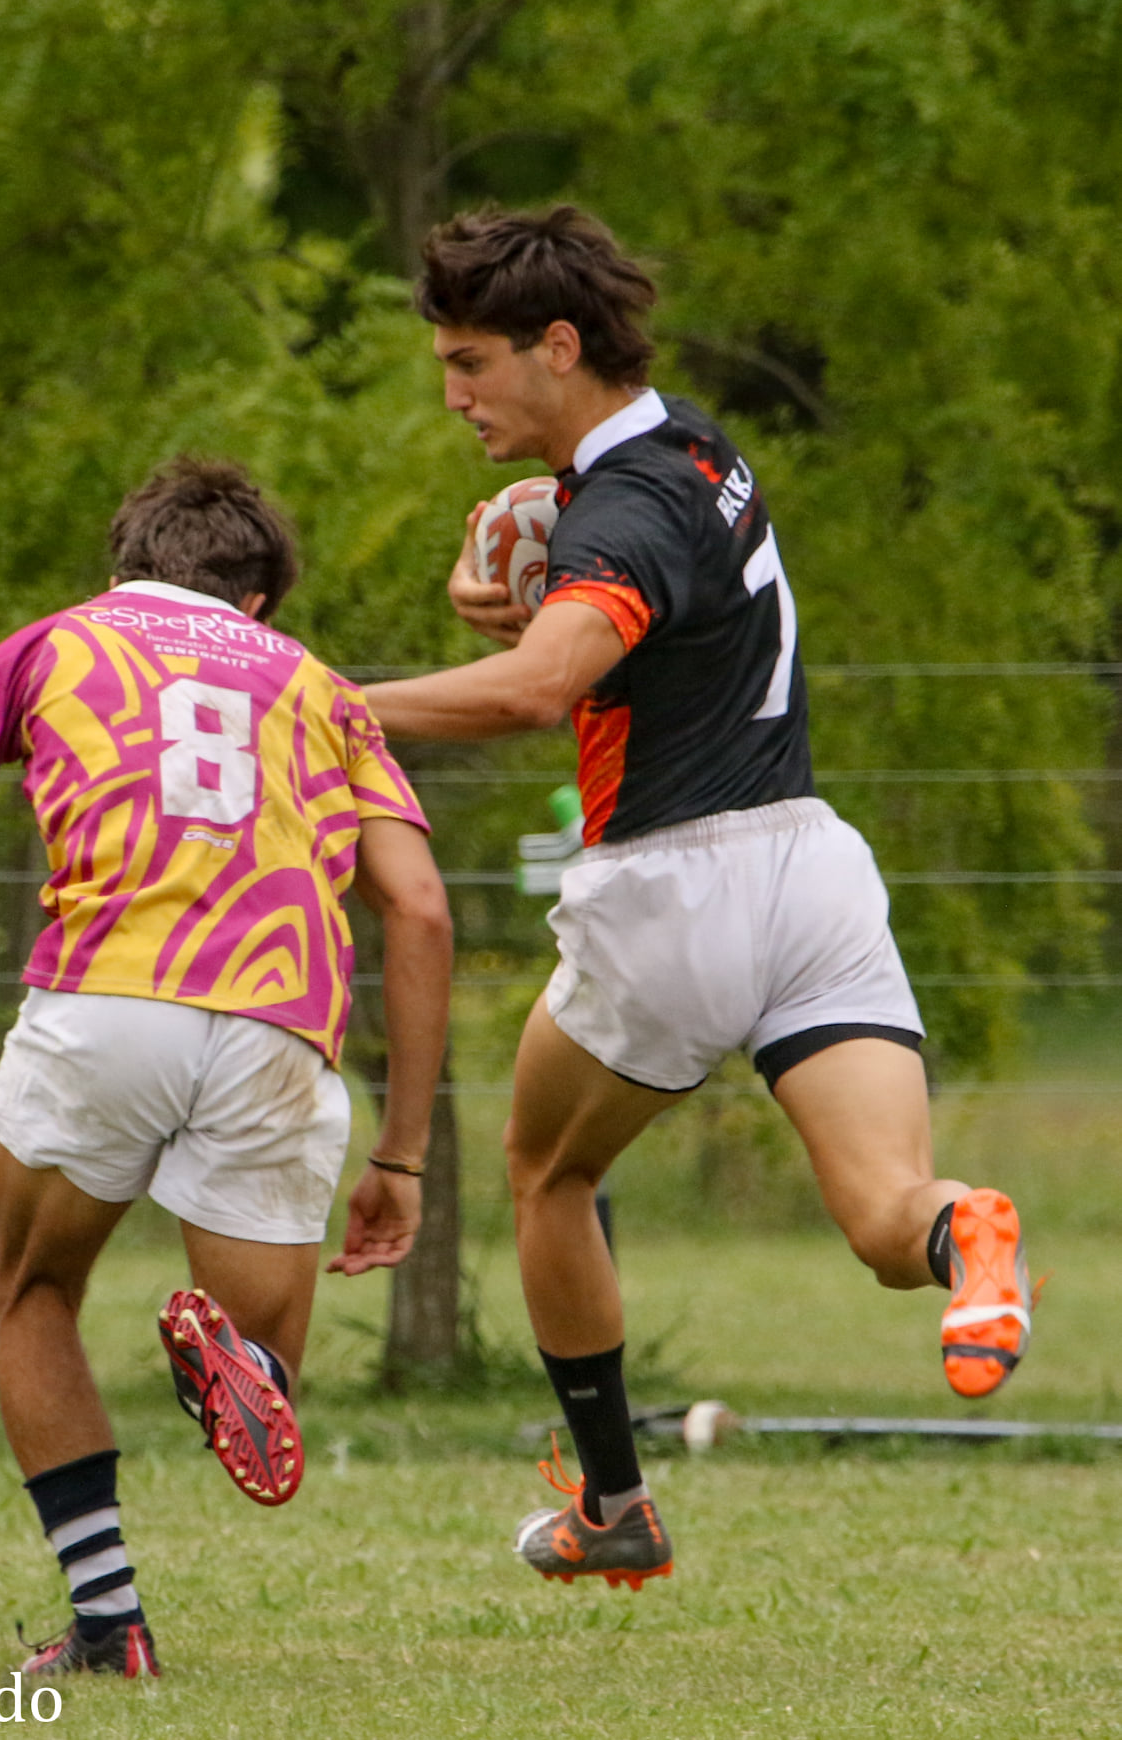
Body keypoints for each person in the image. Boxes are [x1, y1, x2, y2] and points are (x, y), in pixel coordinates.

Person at [362, 205, 1033, 1591]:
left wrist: (320, 708)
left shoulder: (624, 509)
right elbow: (613, 622)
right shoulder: (701, 450)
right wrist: (534, 586)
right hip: (809, 871)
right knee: (880, 1213)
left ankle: (611, 1505)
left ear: (557, 345)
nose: (452, 394)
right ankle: (963, 1228)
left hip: (673, 884)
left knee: (548, 1174)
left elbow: (542, 686)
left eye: (471, 363)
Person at [0, 457, 452, 1675]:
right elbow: (418, 915)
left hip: (104, 1006)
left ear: (121, 571)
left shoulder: (50, 645)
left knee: (34, 1293)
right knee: (267, 1361)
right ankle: (241, 1363)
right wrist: (401, 1155)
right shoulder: (320, 687)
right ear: (259, 602)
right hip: (276, 1023)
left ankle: (109, 1624)